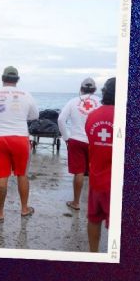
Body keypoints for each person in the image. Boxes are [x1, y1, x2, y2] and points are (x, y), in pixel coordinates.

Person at [0, 66, 39, 220]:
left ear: (2, 78)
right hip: (20, 138)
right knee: (22, 174)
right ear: (17, 79)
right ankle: (24, 208)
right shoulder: (27, 95)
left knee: (2, 176)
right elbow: (34, 115)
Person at [58, 78, 101, 210]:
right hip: (95, 141)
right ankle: (95, 203)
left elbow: (60, 119)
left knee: (79, 172)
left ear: (81, 89)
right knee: (96, 172)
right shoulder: (100, 102)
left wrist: (66, 138)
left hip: (76, 140)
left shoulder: (73, 101)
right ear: (94, 90)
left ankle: (76, 202)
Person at [85, 77, 116, 252]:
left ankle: (93, 253)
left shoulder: (92, 116)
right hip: (114, 183)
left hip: (96, 180)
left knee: (93, 218)